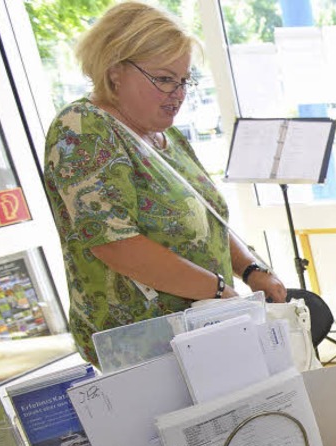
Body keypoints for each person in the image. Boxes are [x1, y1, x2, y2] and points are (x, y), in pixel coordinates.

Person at [42, 2, 286, 365]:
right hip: (145, 345)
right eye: (164, 79)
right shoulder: (85, 128)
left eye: (184, 80)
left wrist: (251, 269)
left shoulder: (163, 137)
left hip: (202, 330)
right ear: (114, 74)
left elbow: (205, 220)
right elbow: (115, 244)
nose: (178, 93)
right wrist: (218, 291)